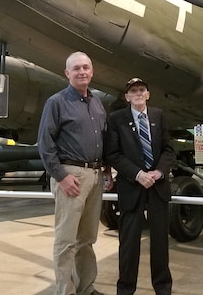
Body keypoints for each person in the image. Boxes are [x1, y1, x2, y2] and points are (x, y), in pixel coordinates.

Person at [37, 51, 112, 295]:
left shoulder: (97, 103)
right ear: (67, 73)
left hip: (95, 174)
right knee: (66, 240)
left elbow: (104, 139)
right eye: (76, 68)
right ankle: (65, 291)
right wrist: (60, 175)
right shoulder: (57, 102)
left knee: (87, 238)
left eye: (86, 67)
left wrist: (107, 170)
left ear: (92, 72)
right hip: (71, 175)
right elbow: (44, 142)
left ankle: (86, 287)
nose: (82, 72)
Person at [105, 77, 174, 295]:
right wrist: (137, 174)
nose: (137, 93)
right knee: (128, 244)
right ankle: (125, 289)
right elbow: (113, 154)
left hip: (157, 188)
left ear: (148, 94)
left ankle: (163, 288)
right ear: (126, 97)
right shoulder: (117, 119)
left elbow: (168, 150)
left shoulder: (158, 116)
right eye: (133, 91)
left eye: (141, 90)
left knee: (160, 243)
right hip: (131, 188)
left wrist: (159, 172)